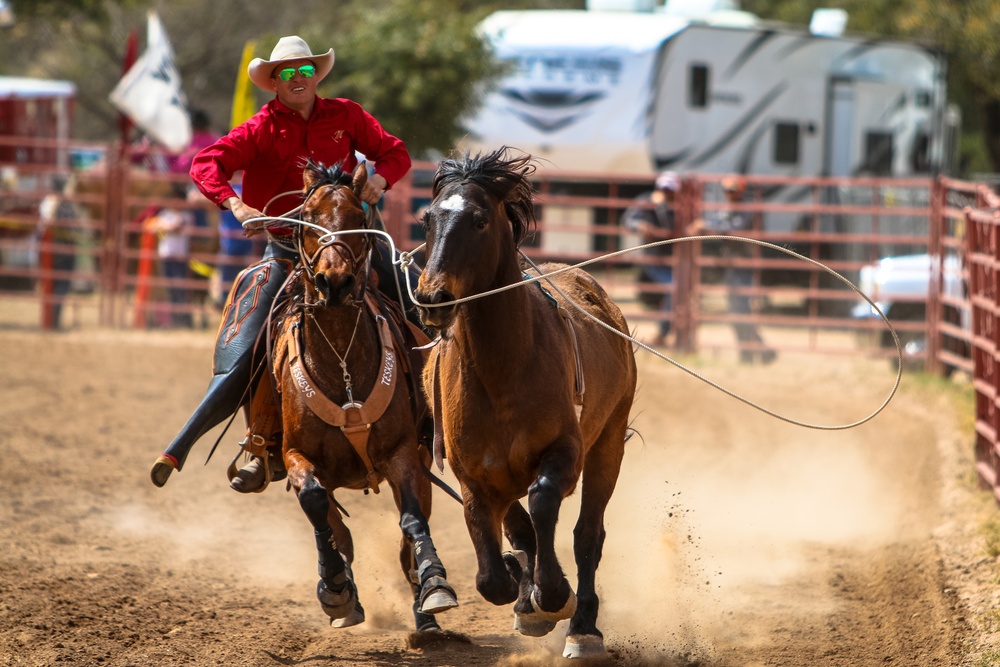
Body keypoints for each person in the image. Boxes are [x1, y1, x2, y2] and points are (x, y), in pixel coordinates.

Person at [150, 35, 413, 493]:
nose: (297, 79)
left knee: (417, 306)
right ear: (274, 82)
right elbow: (207, 163)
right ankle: (257, 443)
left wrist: (379, 177)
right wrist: (235, 206)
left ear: (315, 76)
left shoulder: (346, 115)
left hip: (356, 247)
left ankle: (433, 420)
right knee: (251, 344)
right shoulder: (259, 129)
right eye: (287, 73)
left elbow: (395, 152)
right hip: (289, 253)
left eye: (305, 71)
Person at [692, 176, 776, 364]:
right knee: (738, 312)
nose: (729, 194)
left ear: (741, 191)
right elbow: (718, 223)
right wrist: (706, 225)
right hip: (734, 266)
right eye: (727, 190)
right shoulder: (730, 210)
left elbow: (732, 229)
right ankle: (758, 352)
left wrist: (705, 227)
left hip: (745, 266)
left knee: (740, 312)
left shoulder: (747, 210)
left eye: (733, 190)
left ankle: (753, 352)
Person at [622, 171, 679, 347]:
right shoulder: (647, 201)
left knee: (678, 290)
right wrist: (640, 225)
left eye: (669, 189)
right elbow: (629, 220)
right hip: (654, 259)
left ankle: (671, 332)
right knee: (674, 288)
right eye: (663, 188)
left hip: (675, 260)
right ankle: (663, 333)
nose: (665, 192)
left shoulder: (680, 206)